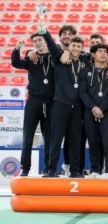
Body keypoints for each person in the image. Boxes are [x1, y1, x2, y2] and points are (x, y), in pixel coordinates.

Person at [42, 33, 89, 178]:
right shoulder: (60, 58)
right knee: (56, 138)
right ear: (70, 46)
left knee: (75, 139)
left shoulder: (85, 61)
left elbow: (101, 55)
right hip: (60, 103)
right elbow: (50, 44)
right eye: (73, 46)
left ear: (82, 48)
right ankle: (51, 169)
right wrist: (44, 30)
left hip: (78, 107)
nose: (75, 48)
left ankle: (74, 171)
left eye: (78, 46)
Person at [13, 34, 54, 176]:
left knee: (48, 138)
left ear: (46, 41)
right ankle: (25, 169)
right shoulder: (31, 58)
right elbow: (16, 63)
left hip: (50, 102)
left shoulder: (54, 56)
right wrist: (18, 48)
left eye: (40, 40)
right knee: (28, 137)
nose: (37, 43)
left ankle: (49, 168)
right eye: (35, 41)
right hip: (33, 101)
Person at [79, 44, 108, 179]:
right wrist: (93, 107)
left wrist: (102, 108)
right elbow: (82, 92)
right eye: (99, 51)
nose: (102, 53)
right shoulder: (85, 70)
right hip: (90, 111)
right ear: (93, 54)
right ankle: (95, 170)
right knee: (93, 141)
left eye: (105, 51)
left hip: (106, 111)